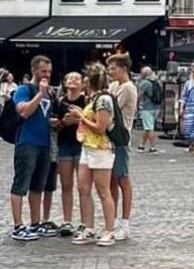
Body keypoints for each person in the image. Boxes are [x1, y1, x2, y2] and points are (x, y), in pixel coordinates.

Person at [9, 55, 54, 242]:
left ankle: (36, 222)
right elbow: (24, 111)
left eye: (49, 72)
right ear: (34, 70)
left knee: (38, 185)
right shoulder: (24, 89)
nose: (47, 75)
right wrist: (39, 95)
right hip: (27, 142)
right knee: (21, 184)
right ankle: (18, 225)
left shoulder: (49, 93)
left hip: (44, 143)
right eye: (43, 71)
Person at [73, 62, 117, 246]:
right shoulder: (93, 98)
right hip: (87, 146)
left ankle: (109, 230)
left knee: (103, 190)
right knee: (83, 188)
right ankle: (88, 227)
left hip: (101, 148)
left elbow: (100, 128)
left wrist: (81, 118)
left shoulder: (104, 100)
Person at [107, 54, 138, 242]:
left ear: (123, 68)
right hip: (109, 139)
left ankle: (124, 223)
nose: (110, 71)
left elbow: (110, 109)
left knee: (123, 179)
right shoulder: (113, 86)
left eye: (113, 68)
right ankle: (112, 220)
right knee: (112, 180)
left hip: (120, 138)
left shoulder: (128, 88)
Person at [51, 71, 86, 238]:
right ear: (65, 83)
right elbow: (55, 126)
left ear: (82, 84)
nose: (73, 80)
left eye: (77, 78)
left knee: (83, 186)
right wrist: (63, 122)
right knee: (66, 185)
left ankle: (85, 223)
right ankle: (67, 221)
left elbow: (94, 122)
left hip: (82, 146)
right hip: (64, 145)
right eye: (70, 78)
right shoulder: (59, 102)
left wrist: (80, 119)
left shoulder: (87, 101)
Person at [136, 66, 161, 153]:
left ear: (145, 73)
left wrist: (136, 104)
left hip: (147, 107)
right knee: (147, 127)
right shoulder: (158, 81)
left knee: (149, 128)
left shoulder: (144, 83)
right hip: (156, 107)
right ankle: (141, 145)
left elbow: (139, 95)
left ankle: (153, 147)